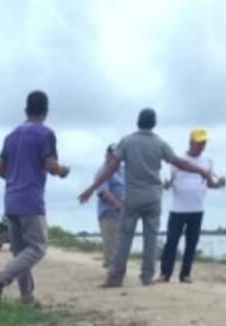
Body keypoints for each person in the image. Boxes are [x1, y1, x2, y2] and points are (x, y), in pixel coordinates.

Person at [78, 108, 217, 287]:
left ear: (138, 121)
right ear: (154, 124)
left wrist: (91, 188)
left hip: (133, 196)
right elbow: (179, 162)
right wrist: (202, 171)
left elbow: (111, 167)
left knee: (125, 238)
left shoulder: (127, 142)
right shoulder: (160, 143)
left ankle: (115, 277)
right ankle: (147, 277)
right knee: (150, 239)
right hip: (153, 197)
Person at [0, 89, 70, 305]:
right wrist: (63, 171)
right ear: (46, 111)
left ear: (26, 109)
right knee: (38, 247)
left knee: (21, 252)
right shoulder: (45, 134)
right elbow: (51, 166)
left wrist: (15, 176)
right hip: (31, 200)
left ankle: (27, 297)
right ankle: (1, 278)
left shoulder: (11, 136)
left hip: (11, 199)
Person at [160, 128, 226, 282]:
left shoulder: (208, 161)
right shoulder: (178, 159)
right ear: (190, 142)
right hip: (178, 209)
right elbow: (168, 183)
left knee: (192, 243)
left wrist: (219, 183)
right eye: (199, 142)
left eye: (204, 143)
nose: (202, 146)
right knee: (172, 242)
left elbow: (210, 184)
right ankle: (165, 274)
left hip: (197, 209)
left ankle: (185, 274)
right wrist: (167, 185)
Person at [96, 143, 124, 268]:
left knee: (120, 244)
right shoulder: (103, 171)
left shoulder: (124, 170)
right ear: (107, 155)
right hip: (109, 212)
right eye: (113, 155)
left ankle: (115, 268)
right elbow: (103, 192)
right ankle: (113, 271)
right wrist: (118, 205)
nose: (115, 158)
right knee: (112, 244)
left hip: (124, 212)